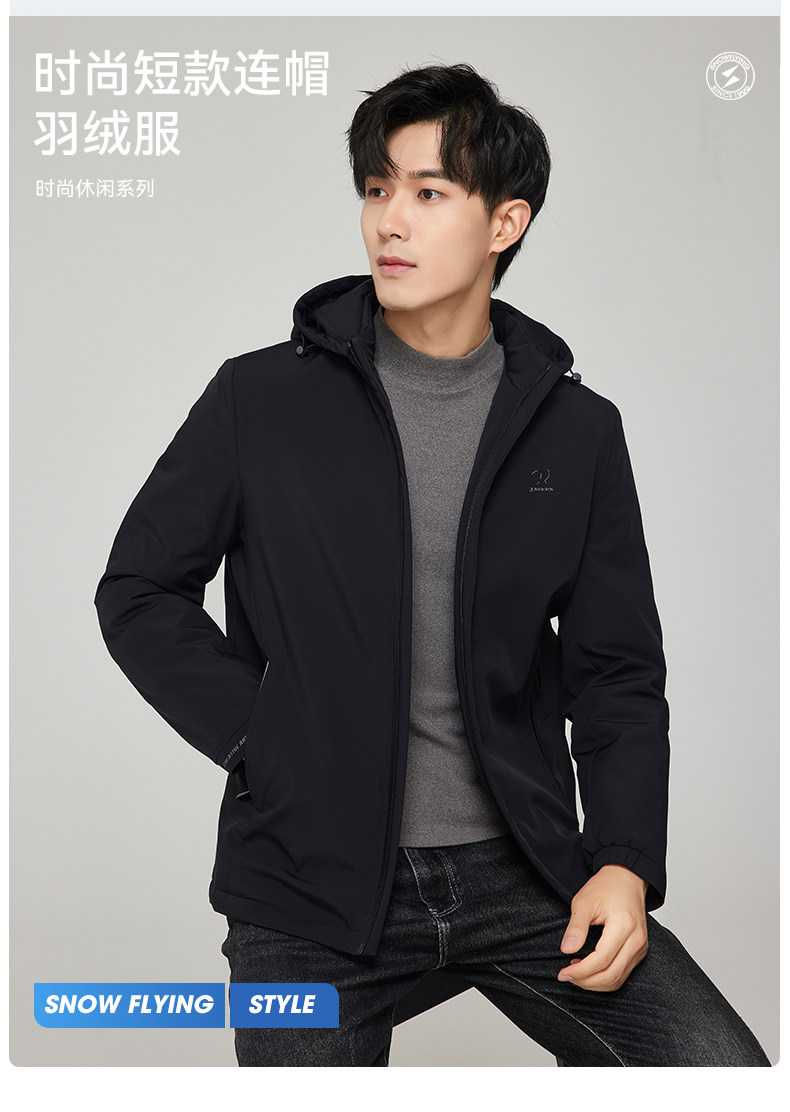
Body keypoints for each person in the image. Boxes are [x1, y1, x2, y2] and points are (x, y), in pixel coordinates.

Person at [94, 62, 770, 1067]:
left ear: (505, 222)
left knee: (720, 1073)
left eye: (428, 191)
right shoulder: (259, 401)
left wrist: (624, 860)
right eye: (377, 189)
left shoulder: (577, 431)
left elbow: (617, 671)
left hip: (521, 873)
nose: (389, 221)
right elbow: (138, 589)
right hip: (309, 884)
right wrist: (263, 734)